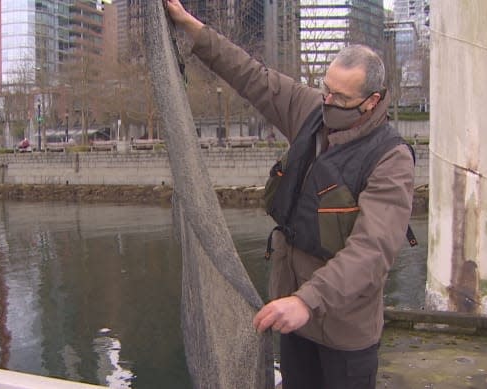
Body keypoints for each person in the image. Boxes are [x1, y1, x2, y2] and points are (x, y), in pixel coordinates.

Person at [167, 1, 415, 388]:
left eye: (341, 98)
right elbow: (252, 76)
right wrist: (194, 32)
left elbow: (371, 252)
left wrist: (306, 300)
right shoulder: (311, 110)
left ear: (372, 102)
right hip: (294, 316)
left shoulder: (391, 160)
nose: (327, 102)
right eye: (326, 89)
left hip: (344, 331)